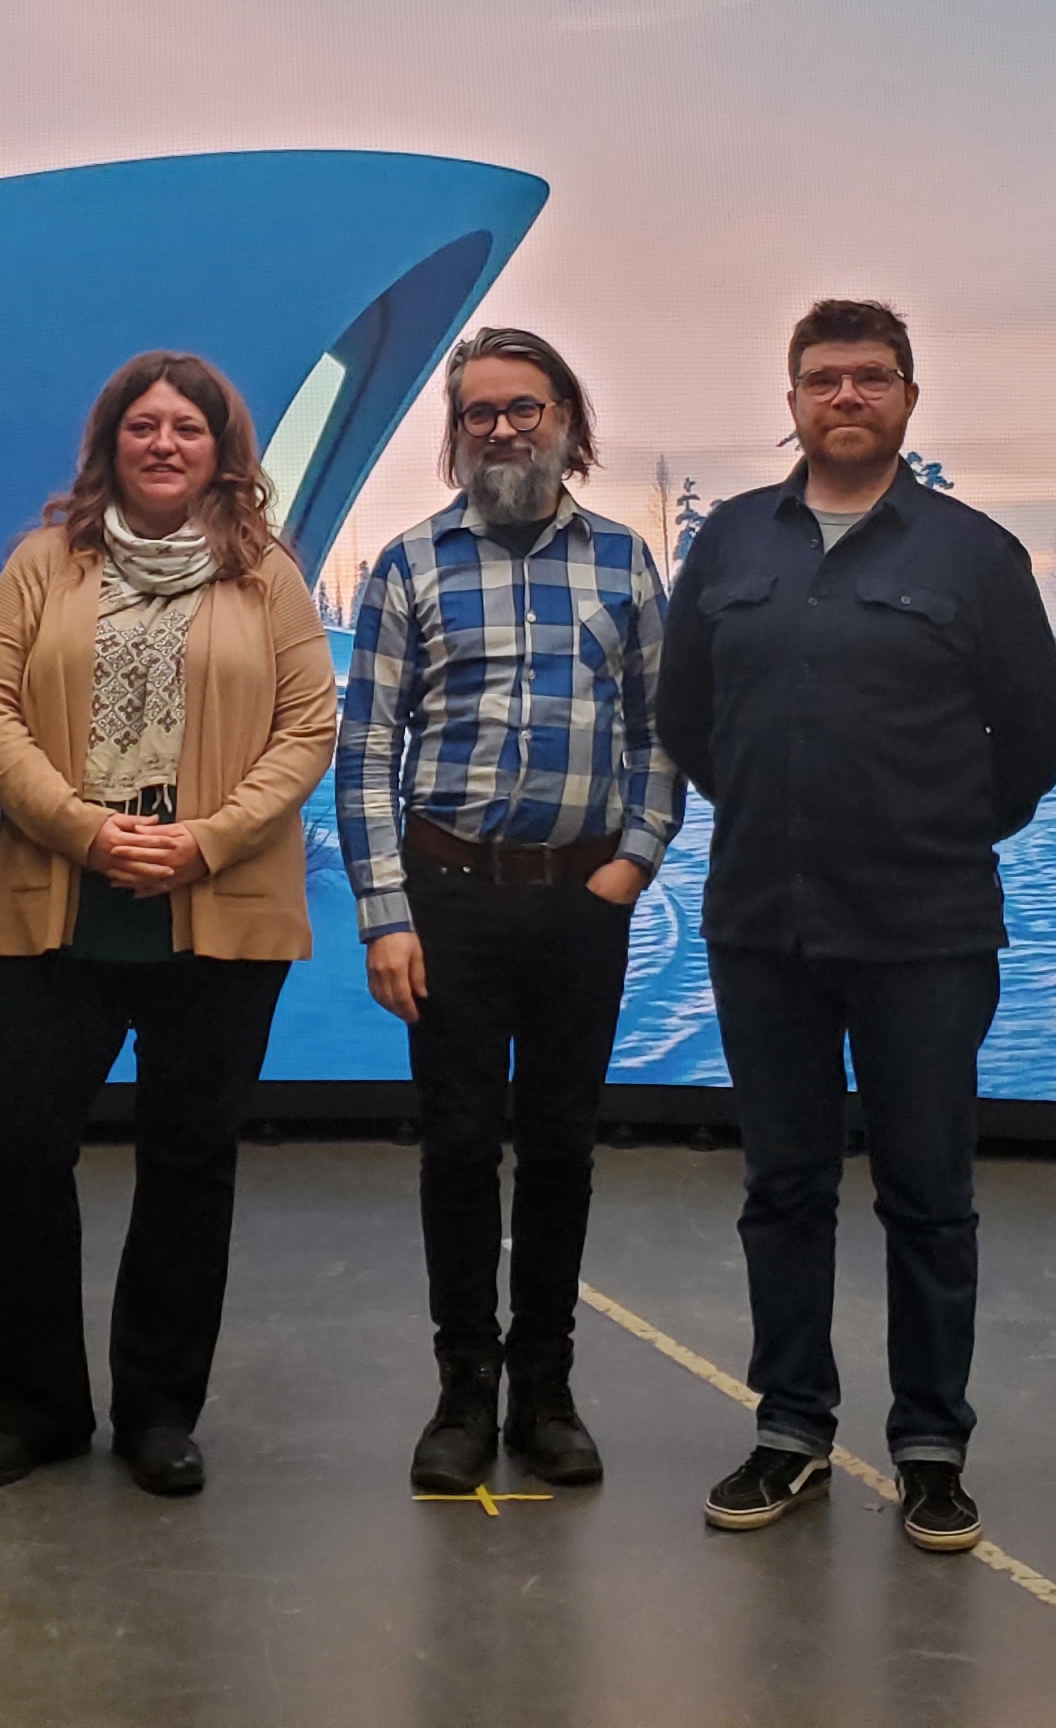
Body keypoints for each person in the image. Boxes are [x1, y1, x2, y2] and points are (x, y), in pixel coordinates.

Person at [661, 297, 1056, 1548]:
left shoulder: (973, 556)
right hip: (762, 925)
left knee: (929, 1195)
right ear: (790, 399)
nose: (847, 398)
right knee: (783, 1187)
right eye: (823, 379)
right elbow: (690, 720)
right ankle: (790, 1428)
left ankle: (933, 1446)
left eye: (871, 378)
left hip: (926, 931)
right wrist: (794, 816)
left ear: (908, 397)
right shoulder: (732, 546)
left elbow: (1037, 738)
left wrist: (926, 830)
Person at [0, 351, 337, 1498]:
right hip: (61, 908)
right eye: (143, 428)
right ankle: (34, 1410)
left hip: (216, 914)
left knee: (187, 1166)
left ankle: (161, 1411)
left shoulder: (268, 575)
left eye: (188, 429)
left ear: (223, 451)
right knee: (20, 1159)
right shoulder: (39, 563)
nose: (164, 445)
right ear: (109, 444)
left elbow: (308, 729)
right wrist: (80, 828)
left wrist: (206, 839)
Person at [339, 327, 677, 1497]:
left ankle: (547, 1390)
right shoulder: (408, 564)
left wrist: (633, 863)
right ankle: (462, 1391)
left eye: (524, 409)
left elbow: (658, 732)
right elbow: (367, 749)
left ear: (570, 424)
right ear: (456, 434)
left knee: (564, 1149)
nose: (502, 430)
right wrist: (386, 915)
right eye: (479, 412)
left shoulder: (628, 565)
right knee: (457, 1148)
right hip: (448, 900)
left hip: (584, 900)